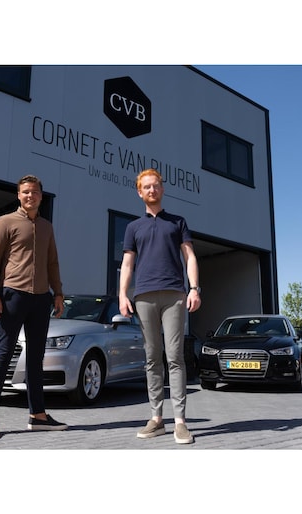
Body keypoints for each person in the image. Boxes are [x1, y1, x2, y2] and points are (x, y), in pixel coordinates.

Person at [0, 174, 68, 440]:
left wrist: (58, 293)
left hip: (40, 299)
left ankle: (38, 416)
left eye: (35, 192)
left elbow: (52, 262)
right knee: (3, 353)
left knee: (36, 358)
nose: (31, 195)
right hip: (12, 296)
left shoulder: (47, 227)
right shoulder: (5, 222)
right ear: (19, 195)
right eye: (26, 192)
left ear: (41, 196)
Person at [119, 168, 201, 444]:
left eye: (156, 185)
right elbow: (127, 264)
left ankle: (180, 422)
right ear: (139, 192)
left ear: (162, 189)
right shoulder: (133, 227)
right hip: (144, 297)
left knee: (175, 357)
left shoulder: (177, 222)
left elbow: (190, 257)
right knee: (152, 358)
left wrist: (194, 289)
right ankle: (156, 419)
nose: (152, 190)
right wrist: (122, 295)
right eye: (147, 187)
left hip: (174, 295)